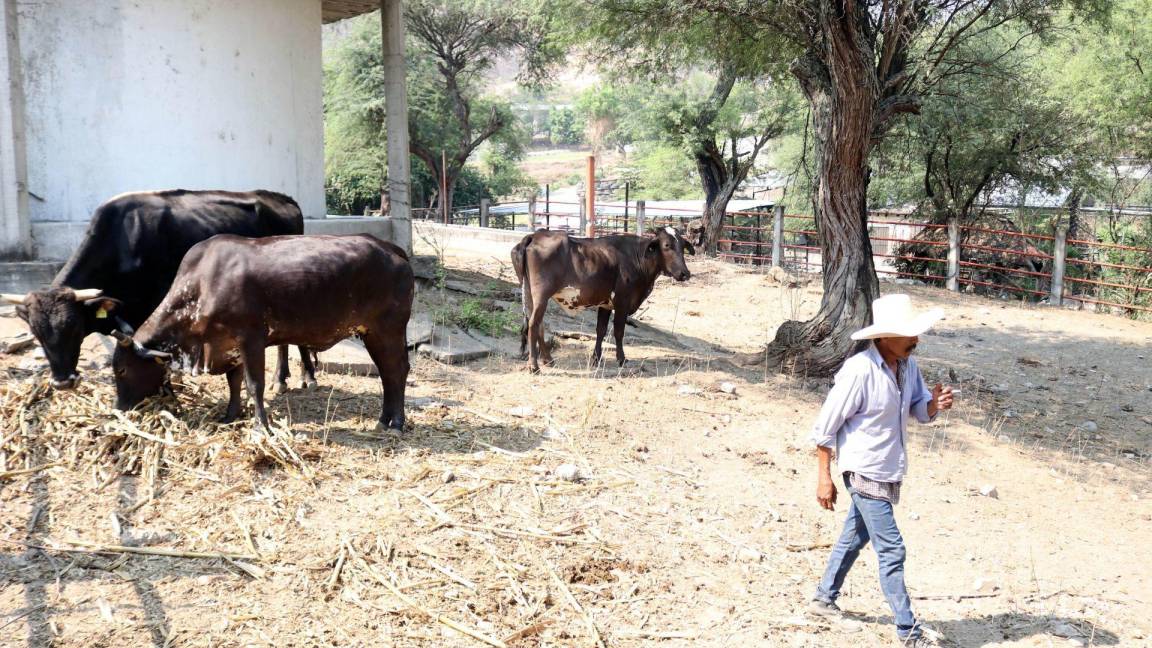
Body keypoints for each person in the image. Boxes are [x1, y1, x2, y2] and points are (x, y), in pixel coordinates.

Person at [807, 294, 955, 646]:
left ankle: (823, 598)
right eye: (907, 335)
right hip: (862, 468)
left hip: (887, 467)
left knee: (855, 536)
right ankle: (908, 631)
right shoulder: (859, 372)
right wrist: (824, 477)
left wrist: (934, 404)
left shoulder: (908, 367)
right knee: (892, 548)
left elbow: (919, 409)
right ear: (883, 337)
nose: (914, 341)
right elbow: (825, 427)